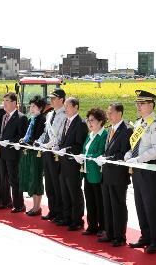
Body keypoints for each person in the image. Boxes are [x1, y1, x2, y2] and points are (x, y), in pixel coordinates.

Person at [126, 90, 156, 254]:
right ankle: (146, 235)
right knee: (140, 204)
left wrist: (136, 159)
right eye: (137, 103)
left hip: (151, 167)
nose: (138, 106)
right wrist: (129, 154)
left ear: (151, 105)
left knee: (151, 205)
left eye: (142, 103)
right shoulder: (140, 122)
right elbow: (135, 145)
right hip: (139, 168)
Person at [96, 103, 132, 247]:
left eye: (111, 113)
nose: (108, 115)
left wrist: (108, 159)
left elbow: (123, 153)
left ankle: (119, 236)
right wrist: (102, 157)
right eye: (108, 112)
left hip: (118, 175)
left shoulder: (126, 130)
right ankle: (109, 232)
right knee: (108, 205)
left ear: (119, 113)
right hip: (106, 173)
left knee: (118, 206)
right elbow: (107, 150)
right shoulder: (110, 129)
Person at [35, 89, 67, 222]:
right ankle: (52, 210)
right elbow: (45, 132)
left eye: (54, 98)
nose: (51, 101)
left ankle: (59, 212)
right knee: (48, 183)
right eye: (51, 98)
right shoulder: (49, 114)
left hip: (56, 154)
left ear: (61, 100)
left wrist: (47, 145)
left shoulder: (64, 115)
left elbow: (59, 136)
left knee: (56, 184)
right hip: (46, 152)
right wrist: (39, 142)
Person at [57, 97, 88, 231]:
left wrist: (67, 150)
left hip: (72, 163)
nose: (65, 109)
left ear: (75, 107)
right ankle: (67, 216)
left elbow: (79, 144)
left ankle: (77, 219)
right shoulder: (67, 121)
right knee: (64, 191)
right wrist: (59, 147)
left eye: (67, 106)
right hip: (63, 162)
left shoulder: (80, 123)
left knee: (74, 192)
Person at [76, 107, 108, 237]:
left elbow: (100, 151)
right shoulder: (90, 134)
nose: (89, 123)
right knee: (90, 200)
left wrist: (87, 156)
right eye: (88, 120)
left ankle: (102, 226)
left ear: (100, 121)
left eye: (92, 120)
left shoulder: (104, 135)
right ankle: (92, 225)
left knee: (99, 201)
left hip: (97, 173)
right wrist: (81, 156)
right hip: (87, 172)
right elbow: (85, 150)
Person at [0, 92, 28, 212]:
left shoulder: (21, 117)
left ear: (14, 103)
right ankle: (6, 201)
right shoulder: (4, 116)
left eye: (7, 101)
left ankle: (19, 204)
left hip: (13, 154)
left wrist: (9, 141)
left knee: (14, 180)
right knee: (3, 178)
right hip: (2, 152)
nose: (4, 103)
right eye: (4, 101)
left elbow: (22, 136)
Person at [18, 95, 46, 216]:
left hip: (37, 153)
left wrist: (28, 142)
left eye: (33, 106)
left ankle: (37, 206)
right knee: (31, 177)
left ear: (40, 107)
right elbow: (28, 135)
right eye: (30, 106)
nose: (31, 108)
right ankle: (34, 206)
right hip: (29, 151)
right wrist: (23, 140)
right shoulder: (32, 119)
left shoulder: (42, 119)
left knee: (36, 178)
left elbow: (38, 136)